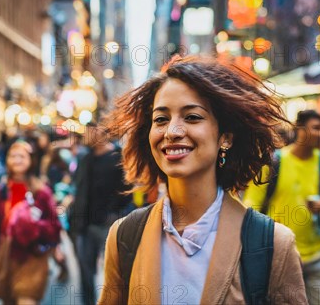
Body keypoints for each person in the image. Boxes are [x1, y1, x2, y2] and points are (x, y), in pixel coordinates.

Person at [99, 56, 307, 304]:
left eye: (192, 117)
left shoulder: (273, 245)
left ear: (225, 138)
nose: (172, 132)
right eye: (161, 119)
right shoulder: (124, 235)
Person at [244, 110, 320, 305]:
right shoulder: (272, 164)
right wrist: (265, 226)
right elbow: (250, 207)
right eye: (315, 129)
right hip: (278, 257)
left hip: (319, 256)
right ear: (299, 129)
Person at [0, 140, 62, 304]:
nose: (17, 160)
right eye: (13, 155)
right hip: (6, 255)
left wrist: (33, 226)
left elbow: (55, 228)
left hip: (33, 258)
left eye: (22, 156)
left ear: (31, 160)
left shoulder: (41, 192)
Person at [70, 122, 133, 305]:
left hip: (108, 224)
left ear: (102, 132)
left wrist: (114, 213)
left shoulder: (117, 156)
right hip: (84, 224)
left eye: (91, 131)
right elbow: (79, 188)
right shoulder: (85, 157)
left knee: (113, 272)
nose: (87, 135)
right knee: (85, 271)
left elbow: (127, 189)